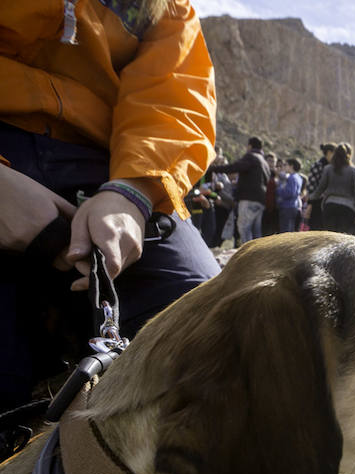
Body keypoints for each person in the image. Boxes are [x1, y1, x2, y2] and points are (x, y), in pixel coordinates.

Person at [0, 0, 221, 410]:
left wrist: (131, 193)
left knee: (210, 338)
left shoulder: (168, 8)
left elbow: (175, 93)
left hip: (108, 160)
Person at [209, 136, 270, 244]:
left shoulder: (251, 157)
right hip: (260, 200)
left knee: (244, 227)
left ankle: (249, 256)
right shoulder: (264, 163)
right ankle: (259, 255)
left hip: (249, 199)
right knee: (256, 231)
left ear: (250, 146)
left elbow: (235, 167)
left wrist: (213, 169)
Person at [308, 142, 355, 236]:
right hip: (347, 209)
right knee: (341, 239)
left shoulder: (328, 169)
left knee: (329, 237)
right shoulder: (354, 171)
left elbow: (320, 189)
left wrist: (310, 198)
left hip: (330, 206)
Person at [306, 142, 336, 231]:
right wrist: (310, 204)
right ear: (329, 153)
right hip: (317, 203)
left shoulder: (334, 167)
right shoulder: (318, 165)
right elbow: (311, 186)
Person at [275, 158, 305, 233]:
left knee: (285, 231)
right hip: (294, 206)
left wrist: (278, 189)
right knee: (290, 230)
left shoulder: (292, 178)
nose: (284, 167)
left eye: (286, 165)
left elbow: (289, 193)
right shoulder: (299, 177)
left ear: (291, 166)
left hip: (287, 207)